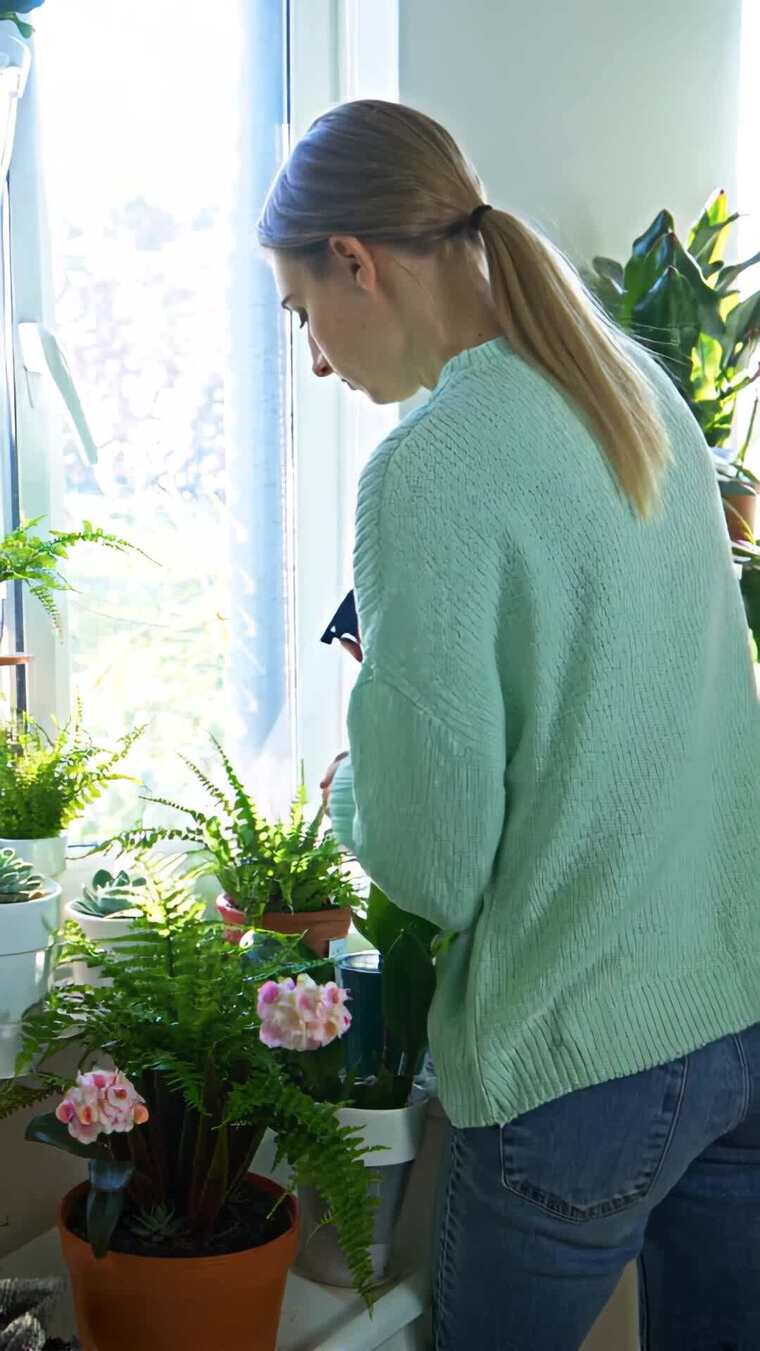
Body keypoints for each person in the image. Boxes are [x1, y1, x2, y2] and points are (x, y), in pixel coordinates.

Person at [258, 99, 760, 1350]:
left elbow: (433, 863)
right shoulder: (634, 386)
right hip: (734, 1025)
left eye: (298, 309)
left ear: (355, 261)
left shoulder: (426, 465)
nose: (315, 357)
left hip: (573, 1058)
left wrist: (347, 785)